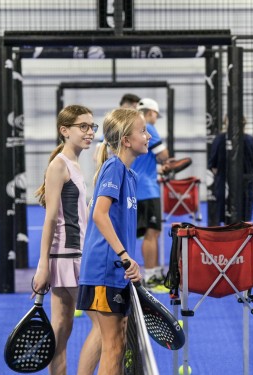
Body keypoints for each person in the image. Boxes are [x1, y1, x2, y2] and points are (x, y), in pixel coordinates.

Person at [76, 108, 146, 375]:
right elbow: (99, 214)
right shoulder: (114, 167)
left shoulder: (130, 175)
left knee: (110, 340)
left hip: (116, 271)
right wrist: (125, 255)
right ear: (126, 140)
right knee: (115, 345)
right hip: (105, 270)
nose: (148, 136)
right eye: (142, 131)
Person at [32, 105, 101, 375]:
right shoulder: (59, 165)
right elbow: (49, 219)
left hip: (71, 256)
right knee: (103, 327)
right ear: (65, 130)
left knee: (60, 331)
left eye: (92, 126)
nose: (89, 132)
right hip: (68, 258)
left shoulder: (73, 164)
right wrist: (42, 265)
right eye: (82, 126)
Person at [131, 98, 170, 293]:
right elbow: (164, 155)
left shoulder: (133, 128)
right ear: (150, 113)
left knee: (149, 233)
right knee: (152, 232)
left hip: (138, 188)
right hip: (147, 189)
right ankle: (151, 277)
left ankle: (151, 275)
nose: (156, 119)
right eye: (156, 114)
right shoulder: (148, 128)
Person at [208, 115, 253, 224]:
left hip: (227, 188)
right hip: (244, 187)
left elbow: (213, 165)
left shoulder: (219, 139)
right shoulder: (249, 139)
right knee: (244, 220)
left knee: (227, 221)